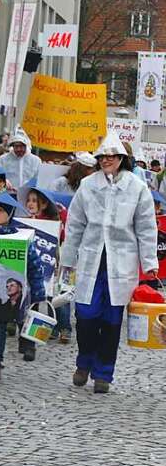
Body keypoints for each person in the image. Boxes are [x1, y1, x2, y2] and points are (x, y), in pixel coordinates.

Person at [61, 131, 158, 394]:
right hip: (92, 259)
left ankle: (104, 371)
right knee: (86, 315)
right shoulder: (88, 185)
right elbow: (76, 223)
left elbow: (146, 227)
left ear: (121, 158)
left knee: (112, 320)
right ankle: (84, 362)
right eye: (103, 156)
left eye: (112, 156)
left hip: (121, 262)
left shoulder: (137, 188)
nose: (107, 160)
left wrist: (149, 262)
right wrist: (68, 258)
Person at [0, 193, 47, 379]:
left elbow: (33, 266)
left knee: (13, 321)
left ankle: (18, 349)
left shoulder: (21, 237)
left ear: (9, 213)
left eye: (0, 210)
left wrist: (39, 292)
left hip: (16, 290)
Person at [0, 127, 41, 192]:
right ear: (12, 146)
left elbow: (39, 179)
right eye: (16, 146)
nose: (18, 149)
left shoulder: (36, 160)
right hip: (8, 195)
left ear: (26, 145)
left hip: (28, 196)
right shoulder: (3, 159)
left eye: (21, 146)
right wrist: (3, 180)